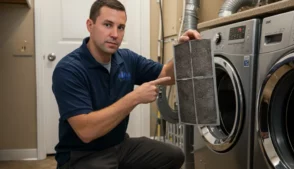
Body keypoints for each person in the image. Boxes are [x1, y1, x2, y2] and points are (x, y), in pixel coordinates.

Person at [52, 0, 201, 169]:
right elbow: (87, 132)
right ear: (90, 25)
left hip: (120, 145)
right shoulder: (69, 69)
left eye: (120, 27)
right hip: (83, 154)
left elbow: (167, 75)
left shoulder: (127, 59)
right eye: (107, 25)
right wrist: (135, 98)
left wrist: (182, 53)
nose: (115, 34)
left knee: (173, 155)